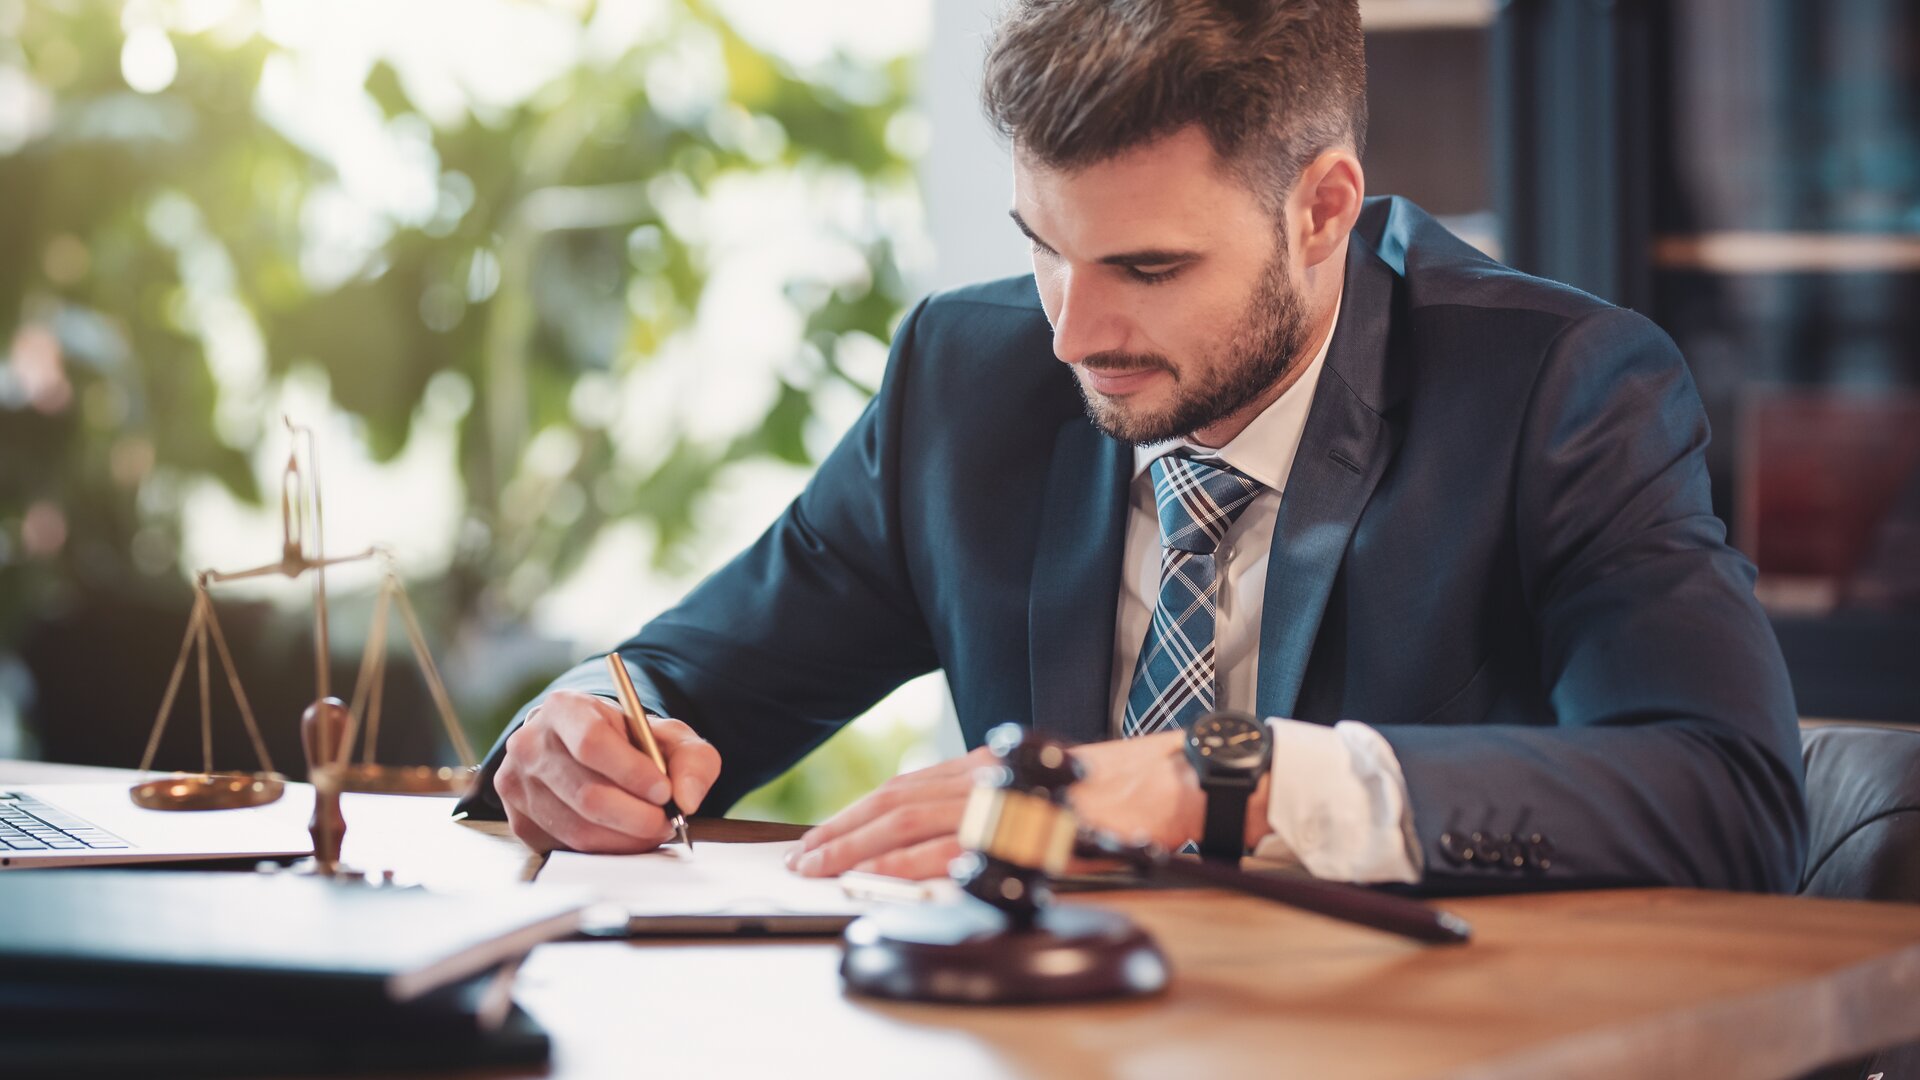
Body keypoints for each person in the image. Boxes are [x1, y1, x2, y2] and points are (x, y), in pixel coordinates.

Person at [455, 0, 1807, 894]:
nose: (1072, 332)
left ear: (1323, 207)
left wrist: (1220, 780)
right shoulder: (967, 379)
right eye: (1044, 249)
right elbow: (686, 680)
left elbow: (1729, 795)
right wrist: (580, 732)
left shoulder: (1555, 393)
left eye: (1149, 266)